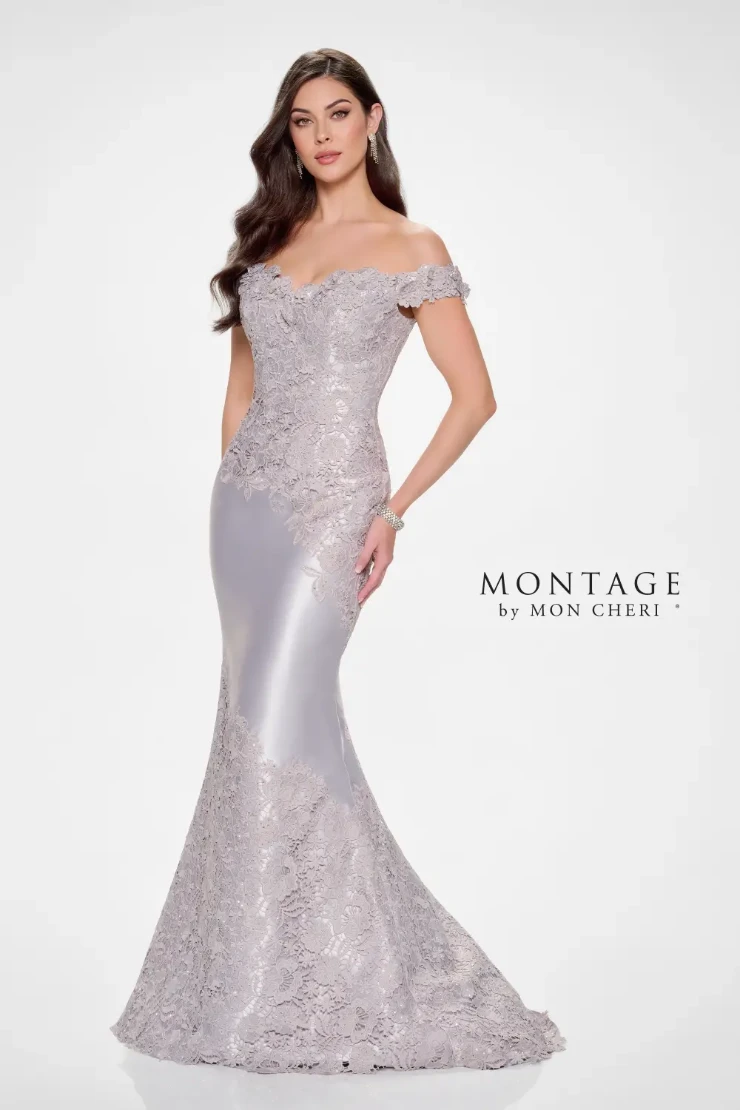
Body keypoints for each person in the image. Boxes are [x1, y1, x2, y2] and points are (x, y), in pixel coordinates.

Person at [110, 47, 566, 1075]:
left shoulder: (410, 245)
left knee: (286, 712)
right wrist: (237, 483)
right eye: (303, 119)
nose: (320, 134)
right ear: (290, 134)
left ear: (372, 120)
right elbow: (241, 391)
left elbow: (475, 399)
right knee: (251, 723)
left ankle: (346, 972)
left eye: (338, 114)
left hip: (336, 508)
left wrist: (392, 511)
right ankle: (251, 965)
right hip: (245, 513)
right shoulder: (267, 242)